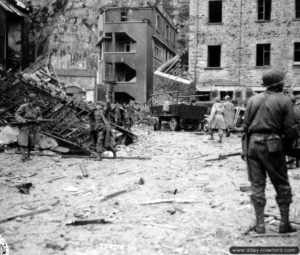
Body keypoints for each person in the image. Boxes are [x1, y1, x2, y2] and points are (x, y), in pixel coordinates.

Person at [242, 70, 298, 234]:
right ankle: (284, 224)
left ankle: (260, 226)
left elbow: (245, 128)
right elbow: (291, 130)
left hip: (252, 145)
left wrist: (245, 149)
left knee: (257, 185)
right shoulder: (285, 101)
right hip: (273, 145)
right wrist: (288, 149)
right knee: (281, 184)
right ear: (279, 84)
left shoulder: (252, 100)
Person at [15, 93, 42, 162]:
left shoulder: (37, 108)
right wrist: (22, 120)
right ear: (29, 100)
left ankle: (28, 156)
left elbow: (40, 116)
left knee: (31, 142)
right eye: (33, 101)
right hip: (25, 126)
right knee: (23, 142)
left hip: (33, 127)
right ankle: (23, 156)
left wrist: (39, 119)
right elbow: (17, 114)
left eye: (35, 100)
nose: (34, 102)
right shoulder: (23, 106)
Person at [93, 96, 116, 160]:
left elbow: (108, 108)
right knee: (106, 144)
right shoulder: (95, 111)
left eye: (97, 105)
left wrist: (108, 100)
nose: (96, 106)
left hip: (103, 128)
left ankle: (99, 156)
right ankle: (113, 151)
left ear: (101, 106)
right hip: (98, 128)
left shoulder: (103, 111)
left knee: (99, 141)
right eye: (96, 105)